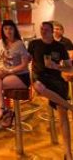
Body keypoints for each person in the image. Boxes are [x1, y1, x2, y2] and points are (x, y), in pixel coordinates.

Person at [28, 21, 73, 160]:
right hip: (39, 78)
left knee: (63, 116)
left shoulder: (60, 47)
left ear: (52, 31)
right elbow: (27, 61)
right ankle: (71, 107)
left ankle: (68, 153)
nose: (43, 30)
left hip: (56, 80)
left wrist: (57, 67)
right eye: (42, 28)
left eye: (46, 29)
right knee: (39, 86)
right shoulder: (34, 44)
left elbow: (69, 68)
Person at [0, 20, 30, 126]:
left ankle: (5, 110)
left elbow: (24, 65)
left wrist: (10, 70)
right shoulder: (1, 42)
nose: (8, 31)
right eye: (5, 29)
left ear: (14, 30)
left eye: (11, 28)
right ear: (2, 30)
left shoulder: (19, 44)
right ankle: (4, 109)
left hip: (21, 75)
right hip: (8, 72)